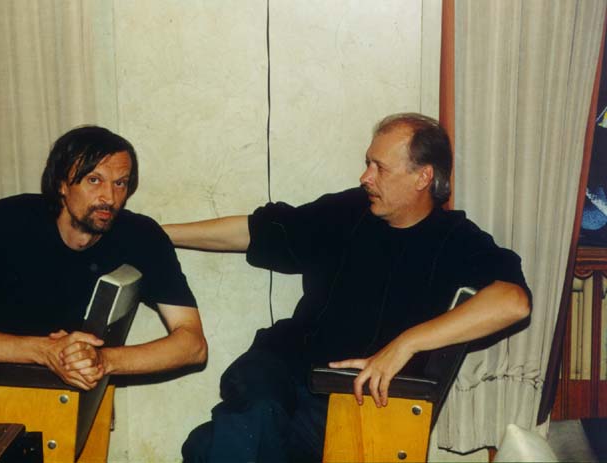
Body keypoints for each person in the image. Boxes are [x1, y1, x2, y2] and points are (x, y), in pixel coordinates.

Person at [163, 113, 532, 462]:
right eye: (368, 163)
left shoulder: (455, 240)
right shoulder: (349, 210)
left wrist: (406, 343)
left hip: (349, 401)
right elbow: (257, 232)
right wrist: (159, 235)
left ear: (423, 177)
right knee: (246, 421)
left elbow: (513, 301)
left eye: (380, 168)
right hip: (279, 367)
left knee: (210, 445)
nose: (365, 177)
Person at [0, 126, 207, 394]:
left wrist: (103, 360)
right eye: (94, 180)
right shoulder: (5, 221)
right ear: (61, 183)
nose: (109, 197)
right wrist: (45, 351)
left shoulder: (141, 236)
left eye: (120, 183)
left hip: (68, 393)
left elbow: (193, 345)